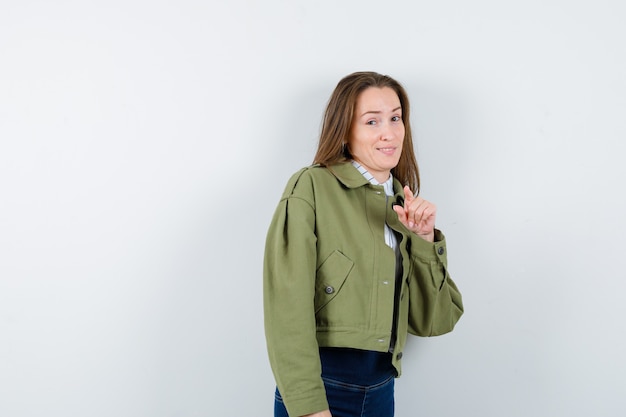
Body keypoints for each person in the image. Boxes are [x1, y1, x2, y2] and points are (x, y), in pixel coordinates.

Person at [263, 71, 464, 417]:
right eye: (372, 121)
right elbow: (286, 309)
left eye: (396, 118)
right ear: (344, 130)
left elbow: (435, 321)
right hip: (321, 391)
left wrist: (425, 239)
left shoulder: (405, 204)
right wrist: (310, 408)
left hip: (381, 392)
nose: (389, 133)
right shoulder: (311, 187)